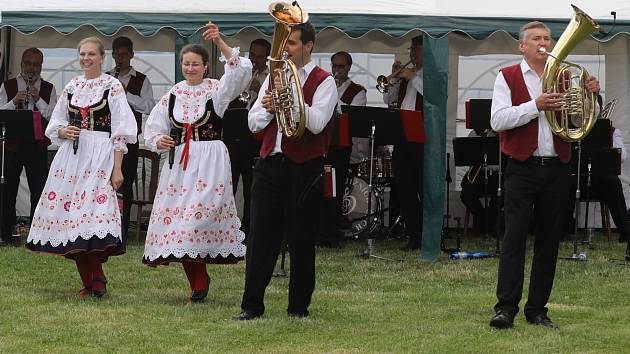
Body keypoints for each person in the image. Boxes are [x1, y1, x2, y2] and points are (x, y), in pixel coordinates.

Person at [489, 21, 600, 329]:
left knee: (549, 241)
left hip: (557, 168)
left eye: (547, 38)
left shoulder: (566, 76)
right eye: (536, 38)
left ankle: (537, 309)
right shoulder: (507, 76)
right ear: (522, 46)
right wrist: (534, 105)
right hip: (522, 168)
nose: (544, 43)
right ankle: (506, 308)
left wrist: (591, 96)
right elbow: (498, 120)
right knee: (513, 240)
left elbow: (580, 121)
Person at [234, 21, 338, 320]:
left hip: (304, 167)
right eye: (284, 43)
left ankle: (298, 307)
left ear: (309, 46)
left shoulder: (324, 81)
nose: (286, 49)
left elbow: (317, 123)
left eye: (291, 43)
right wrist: (268, 106)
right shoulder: (273, 77)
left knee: (301, 238)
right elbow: (253, 123)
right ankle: (251, 305)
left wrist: (290, 101)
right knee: (259, 237)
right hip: (270, 163)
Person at [142, 21, 249, 303]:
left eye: (195, 64)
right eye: (186, 64)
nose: (189, 68)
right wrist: (159, 141)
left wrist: (220, 42)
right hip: (179, 164)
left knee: (194, 222)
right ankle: (198, 283)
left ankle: (200, 279)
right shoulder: (173, 94)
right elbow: (152, 128)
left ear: (205, 67)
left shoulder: (217, 90)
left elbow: (241, 72)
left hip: (210, 160)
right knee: (179, 226)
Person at [26, 37, 137, 298]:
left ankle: (96, 278)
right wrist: (64, 130)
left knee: (90, 214)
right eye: (83, 54)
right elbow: (54, 124)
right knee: (70, 217)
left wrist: (117, 168)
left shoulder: (113, 86)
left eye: (91, 54)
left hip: (100, 154)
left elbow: (121, 131)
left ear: (101, 57)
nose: (86, 58)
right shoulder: (73, 86)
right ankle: (89, 280)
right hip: (71, 157)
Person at [0, 48, 57, 246]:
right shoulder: (7, 85)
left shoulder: (48, 88)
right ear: (21, 64)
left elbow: (52, 116)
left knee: (39, 190)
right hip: (12, 144)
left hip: (37, 144)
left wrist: (37, 99)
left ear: (41, 66)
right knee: (7, 190)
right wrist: (14, 101)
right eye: (28, 63)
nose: (31, 68)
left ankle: (37, 235)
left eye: (36, 64)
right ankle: (6, 234)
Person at [107, 36, 156, 244]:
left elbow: (149, 107)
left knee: (124, 184)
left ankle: (122, 230)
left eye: (124, 54)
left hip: (129, 140)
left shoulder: (141, 80)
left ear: (132, 55)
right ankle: (104, 228)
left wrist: (125, 94)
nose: (121, 58)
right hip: (106, 139)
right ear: (112, 55)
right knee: (104, 183)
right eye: (117, 55)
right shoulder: (106, 77)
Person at [318, 51, 367, 247]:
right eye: (334, 66)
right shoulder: (325, 85)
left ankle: (332, 231)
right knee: (320, 189)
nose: (336, 70)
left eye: (341, 67)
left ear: (348, 67)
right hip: (322, 145)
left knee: (335, 190)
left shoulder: (358, 91)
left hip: (341, 147)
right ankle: (318, 230)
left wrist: (331, 96)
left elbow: (353, 117)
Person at [223, 38, 271, 239]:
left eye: (260, 56)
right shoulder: (240, 73)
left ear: (267, 59)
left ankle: (250, 228)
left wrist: (259, 87)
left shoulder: (270, 78)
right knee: (228, 185)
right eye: (252, 55)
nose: (255, 60)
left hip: (254, 139)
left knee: (252, 187)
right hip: (232, 136)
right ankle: (226, 227)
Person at [383, 35, 424, 250]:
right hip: (402, 137)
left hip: (422, 140)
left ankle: (426, 235)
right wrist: (394, 81)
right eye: (411, 49)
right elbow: (388, 102)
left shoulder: (433, 75)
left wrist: (411, 77)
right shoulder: (407, 77)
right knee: (404, 189)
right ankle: (413, 235)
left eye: (416, 49)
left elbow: (435, 97)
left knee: (422, 189)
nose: (411, 54)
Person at [459, 128, 499, 236]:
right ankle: (482, 218)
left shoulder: (503, 132)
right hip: (478, 174)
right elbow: (467, 156)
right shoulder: (475, 133)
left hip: (497, 175)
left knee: (504, 194)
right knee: (466, 193)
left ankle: (489, 222)